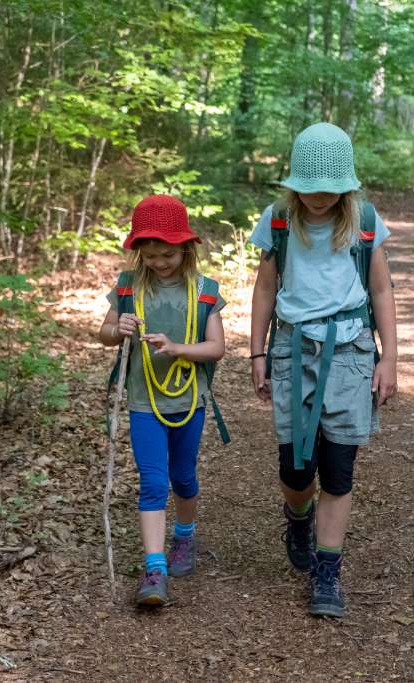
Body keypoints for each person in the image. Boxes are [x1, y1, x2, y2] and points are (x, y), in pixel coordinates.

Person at [249, 122, 398, 617]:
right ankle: (298, 516)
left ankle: (328, 571)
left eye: (329, 190)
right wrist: (256, 354)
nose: (318, 198)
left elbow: (381, 291)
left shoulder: (365, 221)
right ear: (294, 184)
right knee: (295, 468)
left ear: (346, 186)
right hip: (293, 349)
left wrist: (390, 358)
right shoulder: (278, 220)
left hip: (351, 349)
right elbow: (266, 289)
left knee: (338, 469)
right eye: (308, 189)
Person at [98, 195, 227, 607]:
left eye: (167, 254)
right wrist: (117, 329)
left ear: (186, 247)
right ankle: (155, 569)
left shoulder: (204, 291)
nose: (159, 262)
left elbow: (217, 348)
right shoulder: (127, 287)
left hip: (190, 399)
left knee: (183, 477)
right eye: (150, 256)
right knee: (153, 481)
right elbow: (102, 335)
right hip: (142, 401)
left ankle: (184, 536)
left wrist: (177, 348)